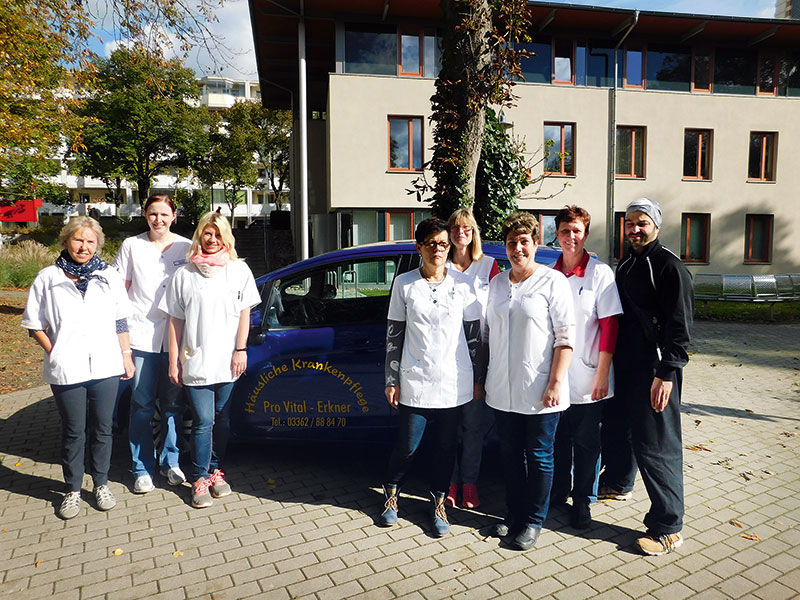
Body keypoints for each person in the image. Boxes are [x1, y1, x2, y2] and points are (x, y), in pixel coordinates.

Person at [22, 217, 135, 519]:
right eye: (78, 240)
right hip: (66, 368)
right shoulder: (48, 277)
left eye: (90, 241)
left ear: (98, 244)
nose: (83, 247)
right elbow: (34, 324)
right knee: (74, 432)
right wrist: (54, 351)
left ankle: (100, 484)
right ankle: (72, 489)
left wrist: (126, 354)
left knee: (103, 429)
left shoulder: (109, 275)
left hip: (106, 365)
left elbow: (121, 319)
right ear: (66, 241)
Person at [599, 197, 693, 556]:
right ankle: (620, 483)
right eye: (630, 224)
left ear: (655, 225)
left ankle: (668, 527)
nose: (635, 230)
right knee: (621, 431)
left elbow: (680, 328)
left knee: (658, 446)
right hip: (626, 367)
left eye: (642, 223)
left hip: (656, 372)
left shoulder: (668, 266)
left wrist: (667, 373)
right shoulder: (626, 265)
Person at [379, 217, 484, 537]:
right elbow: (394, 335)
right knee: (408, 445)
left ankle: (438, 502)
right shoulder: (405, 284)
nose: (438, 249)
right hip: (415, 380)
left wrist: (478, 379)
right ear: (419, 247)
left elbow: (474, 337)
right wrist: (391, 379)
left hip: (455, 383)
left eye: (443, 243)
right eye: (431, 244)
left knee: (445, 448)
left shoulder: (463, 284)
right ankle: (391, 493)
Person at [485, 211, 574, 551]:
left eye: (524, 241)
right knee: (509, 454)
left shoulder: (553, 282)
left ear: (536, 243)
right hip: (502, 388)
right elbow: (489, 336)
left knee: (538, 455)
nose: (517, 249)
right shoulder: (497, 283)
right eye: (511, 243)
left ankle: (534, 521)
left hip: (540, 389)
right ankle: (514, 512)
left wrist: (554, 382)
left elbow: (565, 338)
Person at [164, 212, 260, 508]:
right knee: (204, 421)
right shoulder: (184, 274)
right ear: (199, 236)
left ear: (226, 237)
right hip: (195, 359)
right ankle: (199, 478)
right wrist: (173, 361)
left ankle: (217, 471)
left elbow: (245, 314)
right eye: (207, 234)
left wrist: (240, 349)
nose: (212, 239)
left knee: (223, 419)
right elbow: (174, 321)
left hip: (228, 360)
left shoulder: (239, 271)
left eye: (218, 234)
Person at [549, 206, 622, 530]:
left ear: (585, 234)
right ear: (558, 234)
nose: (571, 237)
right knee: (559, 440)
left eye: (576, 231)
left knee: (587, 444)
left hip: (590, 376)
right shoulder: (549, 273)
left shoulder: (600, 273)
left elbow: (610, 327)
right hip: (556, 377)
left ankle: (583, 502)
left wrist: (603, 373)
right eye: (565, 231)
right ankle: (559, 492)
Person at [113, 194, 191, 493]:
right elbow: (119, 292)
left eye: (164, 214)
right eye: (152, 214)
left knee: (173, 404)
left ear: (174, 216)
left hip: (176, 339)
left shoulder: (186, 246)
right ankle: (141, 468)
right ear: (145, 214)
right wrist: (121, 342)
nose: (158, 219)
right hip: (141, 335)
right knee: (142, 405)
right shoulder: (132, 246)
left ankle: (170, 462)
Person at [445, 208, 499, 510]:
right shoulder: (442, 265)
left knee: (474, 429)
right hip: (447, 359)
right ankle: (450, 483)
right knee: (450, 428)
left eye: (466, 227)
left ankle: (469, 484)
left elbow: (497, 315)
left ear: (473, 231)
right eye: (454, 227)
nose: (460, 232)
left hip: (480, 359)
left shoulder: (489, 266)